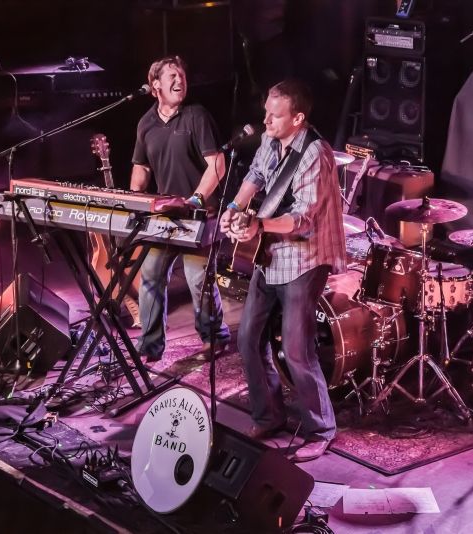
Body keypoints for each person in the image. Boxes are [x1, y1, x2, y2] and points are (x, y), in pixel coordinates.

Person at [220, 79, 346, 462]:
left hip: (305, 258)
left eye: (275, 116)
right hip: (271, 253)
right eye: (266, 113)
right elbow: (256, 176)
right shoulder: (270, 139)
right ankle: (269, 415)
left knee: (296, 350)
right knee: (248, 338)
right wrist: (234, 208)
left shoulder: (315, 154)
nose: (266, 121)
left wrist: (258, 225)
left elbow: (303, 219)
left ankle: (320, 429)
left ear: (298, 118)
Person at [129, 56, 230, 363]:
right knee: (150, 276)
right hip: (164, 216)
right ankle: (149, 346)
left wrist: (196, 199)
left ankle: (214, 337)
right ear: (155, 85)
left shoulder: (196, 116)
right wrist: (133, 201)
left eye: (182, 75)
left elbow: (217, 165)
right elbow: (141, 170)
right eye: (172, 76)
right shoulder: (145, 123)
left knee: (198, 279)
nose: (179, 80)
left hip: (199, 215)